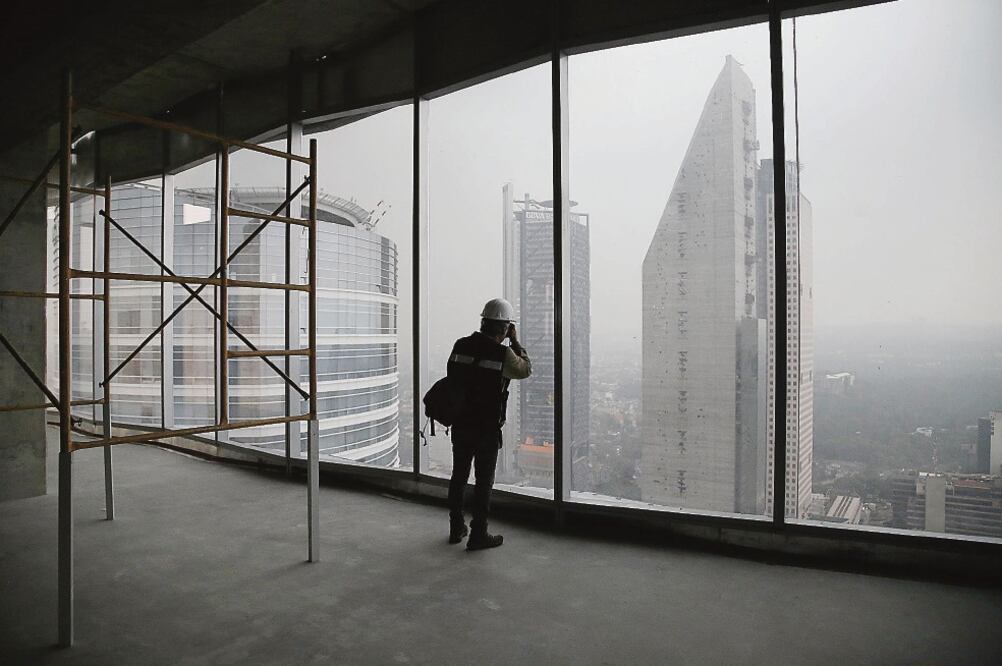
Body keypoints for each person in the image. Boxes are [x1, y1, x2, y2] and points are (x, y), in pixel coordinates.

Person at [447, 298, 531, 550]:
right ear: (504, 328)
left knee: (459, 476)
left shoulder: (460, 345)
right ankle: (478, 534)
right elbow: (525, 370)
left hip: (461, 422)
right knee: (484, 481)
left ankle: (455, 526)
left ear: (483, 322)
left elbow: (453, 375)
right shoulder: (503, 353)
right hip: (486, 427)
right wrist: (515, 342)